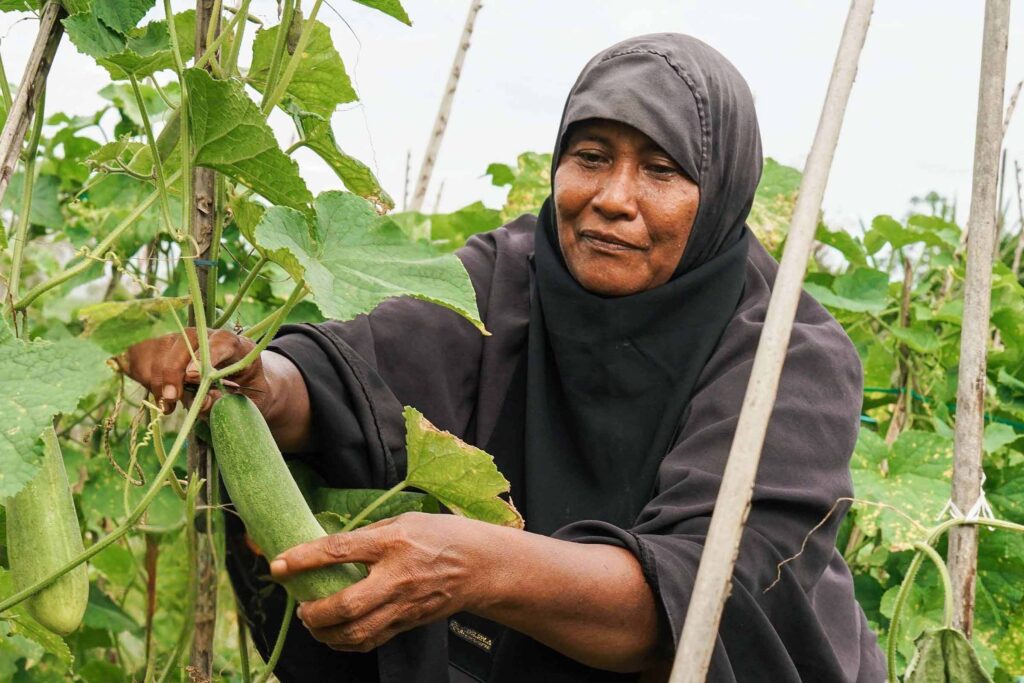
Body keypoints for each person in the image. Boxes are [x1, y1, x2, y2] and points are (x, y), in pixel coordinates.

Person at [121, 34, 886, 682]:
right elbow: (353, 377)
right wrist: (261, 379)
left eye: (661, 171)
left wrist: (476, 564)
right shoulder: (507, 276)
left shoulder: (791, 355)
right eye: (591, 156)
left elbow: (697, 595)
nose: (614, 197)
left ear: (718, 195)